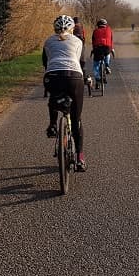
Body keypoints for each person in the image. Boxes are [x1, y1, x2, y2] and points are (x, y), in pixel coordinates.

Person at [42, 15, 87, 171]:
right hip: (74, 77)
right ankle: (80, 157)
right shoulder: (78, 41)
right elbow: (81, 63)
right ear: (72, 28)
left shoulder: (48, 41)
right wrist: (86, 77)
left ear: (54, 28)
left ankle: (53, 125)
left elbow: (45, 62)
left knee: (54, 98)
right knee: (76, 120)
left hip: (52, 77)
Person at [91, 18, 114, 86]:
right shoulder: (109, 30)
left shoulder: (95, 31)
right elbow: (111, 40)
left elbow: (93, 41)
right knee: (108, 53)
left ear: (98, 25)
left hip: (98, 48)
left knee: (96, 65)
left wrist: (93, 49)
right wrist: (111, 49)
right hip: (107, 48)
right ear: (105, 25)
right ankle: (107, 65)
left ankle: (97, 79)